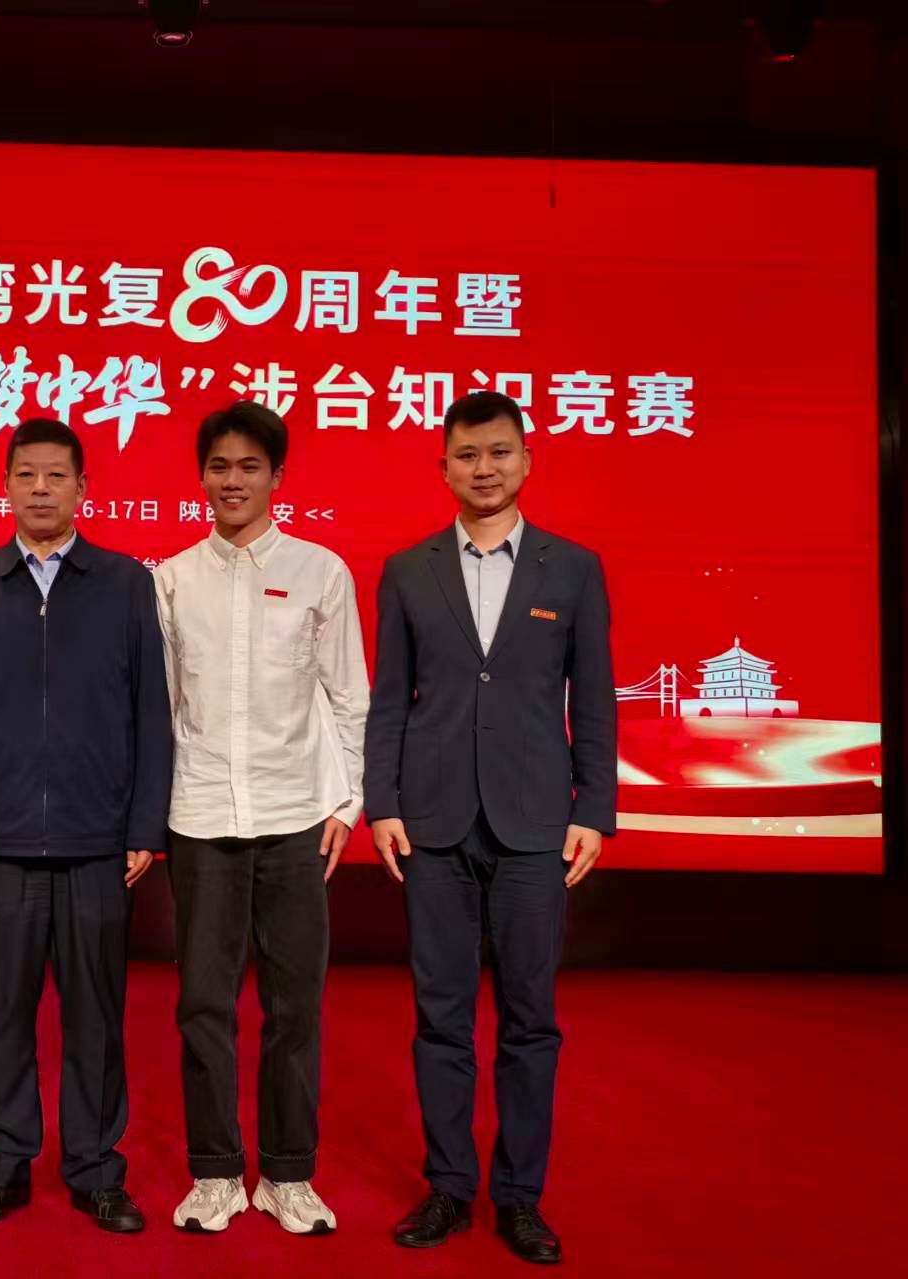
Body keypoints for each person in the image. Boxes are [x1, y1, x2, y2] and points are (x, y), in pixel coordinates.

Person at [364, 391, 617, 1265]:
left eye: (499, 452)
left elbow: (595, 698)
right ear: (443, 467)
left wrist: (593, 809)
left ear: (526, 460)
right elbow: (389, 700)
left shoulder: (573, 568)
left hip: (536, 824)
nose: (484, 468)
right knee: (440, 1017)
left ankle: (519, 1196)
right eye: (467, 454)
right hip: (432, 823)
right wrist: (383, 802)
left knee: (529, 1019)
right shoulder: (408, 569)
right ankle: (448, 1186)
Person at [0, 417, 172, 1235]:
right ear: (4, 485)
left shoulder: (125, 583)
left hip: (99, 840)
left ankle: (97, 1167)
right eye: (26, 474)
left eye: (56, 475)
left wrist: (145, 823)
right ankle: (3, 1162)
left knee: (96, 1013)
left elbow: (151, 710)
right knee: (1, 1011)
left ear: (82, 488)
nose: (40, 488)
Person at [153, 402, 368, 1235]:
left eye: (249, 466)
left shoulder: (321, 571)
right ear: (201, 476)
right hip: (201, 814)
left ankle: (287, 1174)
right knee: (203, 1005)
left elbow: (349, 697)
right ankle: (213, 1173)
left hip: (294, 815)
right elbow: (162, 706)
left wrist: (346, 801)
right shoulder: (172, 579)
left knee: (294, 1006)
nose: (232, 480)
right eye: (219, 466)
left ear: (277, 476)